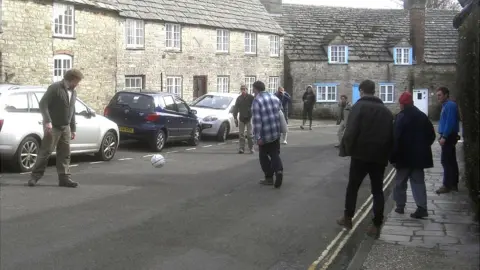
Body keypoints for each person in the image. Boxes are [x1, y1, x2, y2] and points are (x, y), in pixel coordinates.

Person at [337, 79, 394, 238]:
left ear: (362, 91)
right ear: (374, 91)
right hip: (379, 157)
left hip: (360, 156)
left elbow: (350, 131)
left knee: (353, 188)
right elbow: (391, 136)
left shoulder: (358, 107)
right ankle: (376, 225)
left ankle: (348, 218)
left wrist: (346, 149)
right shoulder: (386, 112)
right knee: (377, 191)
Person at [28, 69, 84, 188]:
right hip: (53, 127)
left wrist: (73, 128)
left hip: (66, 127)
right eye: (78, 81)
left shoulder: (73, 92)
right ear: (72, 79)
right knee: (45, 152)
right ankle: (34, 177)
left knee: (65, 154)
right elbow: (43, 104)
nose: (78, 83)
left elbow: (72, 111)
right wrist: (48, 121)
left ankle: (64, 178)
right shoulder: (54, 88)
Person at [390, 92, 436, 219]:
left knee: (400, 183)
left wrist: (392, 157)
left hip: (403, 157)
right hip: (418, 158)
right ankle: (422, 207)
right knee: (418, 183)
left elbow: (396, 138)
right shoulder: (422, 116)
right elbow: (431, 135)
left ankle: (400, 206)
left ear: (403, 104)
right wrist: (423, 147)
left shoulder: (401, 117)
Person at [251, 81, 284, 188]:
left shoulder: (257, 101)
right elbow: (280, 110)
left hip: (264, 134)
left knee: (263, 156)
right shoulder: (274, 97)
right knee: (274, 154)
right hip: (275, 131)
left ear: (256, 89)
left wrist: (257, 137)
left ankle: (269, 178)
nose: (253, 91)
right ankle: (278, 171)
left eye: (253, 89)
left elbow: (257, 121)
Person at [436, 86, 460, 194]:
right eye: (437, 95)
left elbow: (449, 122)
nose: (438, 97)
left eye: (440, 95)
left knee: (446, 161)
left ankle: (447, 185)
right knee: (451, 160)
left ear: (446, 95)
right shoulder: (446, 105)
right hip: (448, 136)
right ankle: (453, 184)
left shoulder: (450, 105)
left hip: (449, 136)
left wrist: (444, 136)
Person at [232, 84, 255, 154]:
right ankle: (241, 148)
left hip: (249, 117)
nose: (243, 90)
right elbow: (235, 108)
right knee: (241, 135)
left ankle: (251, 148)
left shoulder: (251, 97)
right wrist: (235, 117)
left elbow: (255, 106)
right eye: (242, 89)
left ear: (247, 90)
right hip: (241, 118)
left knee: (249, 135)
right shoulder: (239, 98)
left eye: (244, 89)